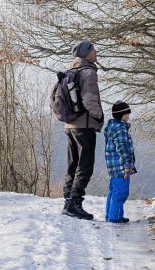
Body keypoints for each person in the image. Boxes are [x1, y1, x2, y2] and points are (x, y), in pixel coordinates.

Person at [62, 40, 104, 220]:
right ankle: (75, 204)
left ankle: (68, 201)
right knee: (85, 166)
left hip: (70, 125)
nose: (96, 52)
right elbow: (89, 100)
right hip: (84, 125)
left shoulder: (69, 72)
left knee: (73, 164)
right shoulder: (88, 73)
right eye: (93, 49)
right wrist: (99, 117)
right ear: (87, 53)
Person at [104, 101, 137, 223]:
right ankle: (115, 217)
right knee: (121, 192)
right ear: (121, 115)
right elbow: (122, 148)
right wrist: (127, 164)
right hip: (121, 166)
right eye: (127, 114)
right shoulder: (120, 129)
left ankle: (110, 215)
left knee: (113, 191)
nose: (128, 116)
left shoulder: (112, 127)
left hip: (113, 167)